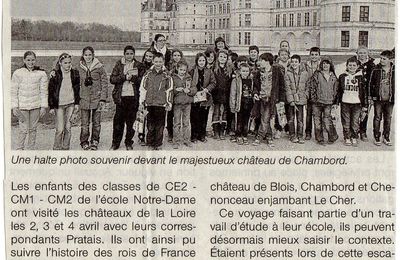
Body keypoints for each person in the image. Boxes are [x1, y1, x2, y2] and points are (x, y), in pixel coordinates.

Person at [110, 46, 146, 150]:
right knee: (118, 123)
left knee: (131, 122)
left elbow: (142, 81)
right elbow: (112, 79)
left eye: (131, 53)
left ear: (134, 54)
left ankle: (128, 142)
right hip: (121, 98)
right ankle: (115, 143)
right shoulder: (119, 64)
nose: (129, 56)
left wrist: (133, 78)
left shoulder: (139, 65)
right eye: (127, 53)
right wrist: (124, 77)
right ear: (124, 54)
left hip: (133, 97)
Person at [11, 51, 48, 150]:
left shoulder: (41, 73)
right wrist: (14, 107)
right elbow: (13, 91)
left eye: (32, 60)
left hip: (35, 106)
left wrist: (44, 106)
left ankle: (30, 150)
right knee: (23, 129)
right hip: (22, 107)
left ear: (35, 60)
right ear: (24, 60)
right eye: (28, 60)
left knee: (33, 129)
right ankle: (19, 149)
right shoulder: (18, 73)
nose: (30, 62)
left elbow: (44, 91)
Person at [139, 52, 173, 150]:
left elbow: (169, 90)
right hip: (149, 103)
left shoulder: (167, 75)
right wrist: (141, 102)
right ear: (153, 61)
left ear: (163, 62)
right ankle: (150, 143)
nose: (158, 63)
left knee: (160, 125)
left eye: (160, 61)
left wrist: (169, 103)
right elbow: (143, 89)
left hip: (161, 104)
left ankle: (158, 144)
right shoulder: (147, 74)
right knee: (150, 125)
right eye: (156, 61)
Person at [78, 46, 108, 150]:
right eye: (85, 55)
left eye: (90, 55)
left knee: (96, 123)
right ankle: (84, 141)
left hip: (97, 98)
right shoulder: (79, 67)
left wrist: (103, 98)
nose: (88, 57)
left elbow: (104, 83)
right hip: (84, 99)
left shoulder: (99, 67)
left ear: (93, 55)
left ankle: (95, 140)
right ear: (83, 55)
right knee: (85, 124)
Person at [48, 53, 80, 150]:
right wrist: (52, 106)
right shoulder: (55, 75)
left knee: (68, 128)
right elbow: (50, 91)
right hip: (59, 105)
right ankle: (57, 148)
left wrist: (77, 103)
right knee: (60, 129)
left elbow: (77, 89)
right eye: (65, 63)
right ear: (60, 63)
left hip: (71, 104)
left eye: (69, 63)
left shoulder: (75, 73)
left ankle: (66, 148)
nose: (68, 65)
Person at [253, 53, 285, 147]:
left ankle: (259, 137)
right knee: (265, 118)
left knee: (267, 118)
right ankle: (269, 137)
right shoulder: (259, 72)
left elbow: (282, 86)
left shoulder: (276, 71)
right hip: (262, 98)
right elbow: (255, 85)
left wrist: (282, 100)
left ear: (267, 61)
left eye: (261, 60)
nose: (259, 62)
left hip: (272, 99)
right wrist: (255, 93)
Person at [336, 56, 368, 147]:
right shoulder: (342, 76)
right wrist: (336, 103)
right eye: (350, 65)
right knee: (346, 121)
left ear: (358, 66)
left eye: (354, 65)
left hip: (357, 103)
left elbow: (364, 92)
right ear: (346, 66)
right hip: (345, 102)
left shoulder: (360, 77)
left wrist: (365, 105)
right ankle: (347, 137)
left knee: (355, 121)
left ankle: (354, 136)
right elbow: (339, 91)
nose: (352, 67)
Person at [308, 57, 339, 145]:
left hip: (328, 102)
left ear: (330, 65)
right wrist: (313, 99)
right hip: (317, 102)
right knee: (317, 121)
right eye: (323, 63)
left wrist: (335, 101)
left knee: (327, 120)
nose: (325, 65)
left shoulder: (333, 76)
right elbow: (312, 87)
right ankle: (319, 138)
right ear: (321, 65)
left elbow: (336, 90)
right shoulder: (317, 74)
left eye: (327, 63)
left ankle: (332, 136)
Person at [369, 50, 395, 146]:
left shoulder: (395, 69)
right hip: (378, 99)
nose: (381, 60)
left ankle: (386, 136)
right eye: (381, 58)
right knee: (377, 117)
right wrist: (371, 97)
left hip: (390, 99)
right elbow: (370, 84)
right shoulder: (376, 69)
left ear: (391, 59)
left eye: (384, 59)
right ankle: (376, 136)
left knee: (388, 118)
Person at [189, 52, 216, 143]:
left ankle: (202, 135)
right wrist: (193, 90)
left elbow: (213, 83)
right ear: (196, 61)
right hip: (195, 97)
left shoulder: (209, 71)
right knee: (194, 117)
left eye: (203, 60)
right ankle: (194, 136)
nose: (201, 62)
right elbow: (188, 82)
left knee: (204, 117)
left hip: (205, 98)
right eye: (200, 60)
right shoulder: (192, 71)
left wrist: (207, 89)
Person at [172, 61, 197, 148]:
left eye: (184, 70)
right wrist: (176, 90)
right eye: (181, 70)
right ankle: (176, 141)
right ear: (177, 69)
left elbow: (194, 89)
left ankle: (187, 140)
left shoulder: (189, 78)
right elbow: (170, 90)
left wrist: (189, 91)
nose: (182, 72)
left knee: (186, 123)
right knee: (177, 123)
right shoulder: (173, 78)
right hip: (177, 104)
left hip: (187, 104)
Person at [285, 54, 309, 144]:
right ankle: (292, 135)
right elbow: (287, 87)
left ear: (299, 63)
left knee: (300, 119)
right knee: (291, 118)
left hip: (301, 99)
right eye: (292, 62)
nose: (294, 63)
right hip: (291, 99)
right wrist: (290, 100)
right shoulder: (287, 73)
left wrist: (305, 95)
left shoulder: (305, 73)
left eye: (296, 62)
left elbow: (307, 85)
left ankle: (300, 135)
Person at [230, 63, 256, 145]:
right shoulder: (236, 80)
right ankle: (238, 135)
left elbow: (252, 91)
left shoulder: (251, 80)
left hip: (248, 104)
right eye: (243, 71)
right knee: (239, 120)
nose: (245, 73)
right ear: (240, 71)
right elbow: (233, 93)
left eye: (247, 71)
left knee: (246, 120)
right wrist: (232, 105)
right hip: (239, 103)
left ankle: (245, 134)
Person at [211, 49, 233, 140]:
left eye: (224, 57)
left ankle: (222, 130)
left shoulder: (229, 69)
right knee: (216, 112)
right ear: (217, 57)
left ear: (227, 58)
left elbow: (231, 81)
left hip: (226, 94)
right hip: (216, 93)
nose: (222, 58)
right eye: (221, 56)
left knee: (224, 112)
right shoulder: (214, 68)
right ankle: (215, 130)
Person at [356, 46, 375, 141]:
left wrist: (372, 95)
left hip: (367, 92)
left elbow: (374, 80)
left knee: (365, 112)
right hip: (355, 92)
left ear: (367, 54)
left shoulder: (372, 65)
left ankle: (363, 131)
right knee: (355, 112)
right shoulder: (354, 63)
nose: (362, 55)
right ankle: (354, 130)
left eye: (364, 53)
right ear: (357, 54)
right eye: (360, 53)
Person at [166, 48, 184, 142]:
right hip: (171, 92)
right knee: (170, 113)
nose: (177, 57)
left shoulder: (183, 66)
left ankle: (177, 132)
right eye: (175, 55)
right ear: (172, 56)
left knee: (178, 113)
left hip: (179, 93)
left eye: (178, 55)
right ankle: (170, 132)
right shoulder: (168, 66)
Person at [304, 47, 321, 140]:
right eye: (312, 55)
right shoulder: (306, 66)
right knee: (309, 114)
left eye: (316, 55)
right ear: (309, 55)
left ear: (319, 56)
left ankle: (319, 133)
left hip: (318, 93)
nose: (314, 56)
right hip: (309, 92)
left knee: (318, 114)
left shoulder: (321, 65)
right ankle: (308, 132)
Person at [273, 48, 291, 139]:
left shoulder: (291, 65)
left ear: (288, 56)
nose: (284, 56)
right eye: (282, 54)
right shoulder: (276, 66)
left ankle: (287, 128)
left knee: (288, 111)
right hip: (280, 91)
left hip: (289, 91)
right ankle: (278, 129)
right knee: (279, 111)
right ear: (279, 56)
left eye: (286, 54)